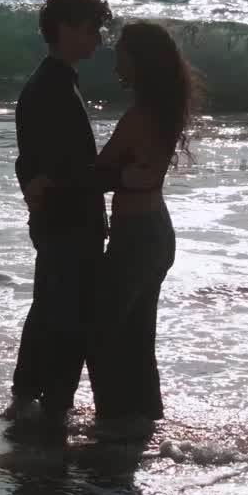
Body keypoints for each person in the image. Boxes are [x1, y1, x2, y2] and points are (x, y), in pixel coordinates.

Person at [2, 0, 115, 424]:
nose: (98, 40)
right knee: (68, 317)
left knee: (50, 308)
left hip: (56, 220)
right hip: (68, 222)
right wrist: (118, 174)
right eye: (92, 29)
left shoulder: (47, 83)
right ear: (67, 28)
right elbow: (63, 170)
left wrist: (33, 179)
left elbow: (32, 163)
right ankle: (53, 407)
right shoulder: (52, 88)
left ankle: (29, 397)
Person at [87, 21, 199, 422]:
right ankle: (145, 422)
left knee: (101, 335)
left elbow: (98, 175)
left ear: (139, 61)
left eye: (121, 52)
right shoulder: (163, 110)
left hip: (136, 236)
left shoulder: (139, 116)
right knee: (137, 339)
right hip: (156, 231)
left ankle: (114, 422)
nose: (115, 58)